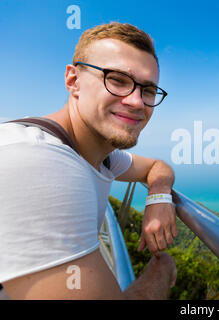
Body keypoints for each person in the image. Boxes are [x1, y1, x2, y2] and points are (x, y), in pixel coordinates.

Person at [0, 22, 178, 299]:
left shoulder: (100, 155)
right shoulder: (40, 163)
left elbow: (157, 167)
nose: (137, 102)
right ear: (73, 81)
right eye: (117, 80)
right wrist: (162, 270)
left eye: (149, 90)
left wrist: (159, 196)